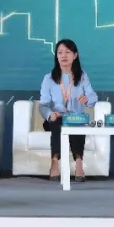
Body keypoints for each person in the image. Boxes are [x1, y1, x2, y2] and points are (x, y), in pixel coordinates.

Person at [39, 39, 99, 183]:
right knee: (58, 124)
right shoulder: (49, 78)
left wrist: (87, 98)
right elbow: (43, 105)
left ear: (75, 55)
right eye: (60, 52)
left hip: (75, 119)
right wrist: (50, 114)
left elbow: (93, 97)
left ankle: (79, 163)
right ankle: (54, 161)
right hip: (56, 119)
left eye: (67, 52)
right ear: (56, 56)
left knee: (76, 125)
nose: (63, 56)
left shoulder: (82, 76)